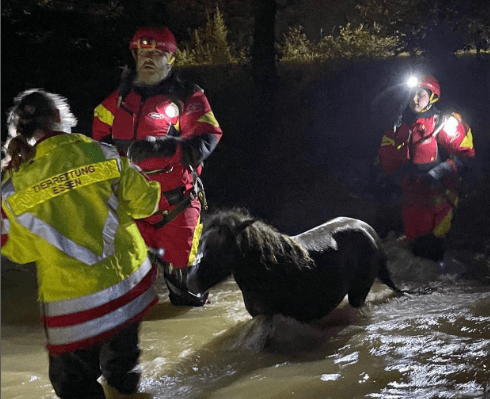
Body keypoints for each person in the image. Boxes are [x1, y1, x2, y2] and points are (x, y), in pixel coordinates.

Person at [1, 89, 162, 398]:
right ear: (60, 118)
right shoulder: (102, 153)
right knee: (123, 370)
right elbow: (146, 204)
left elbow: (19, 251)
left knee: (74, 385)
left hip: (74, 309)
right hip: (128, 289)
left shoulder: (12, 187)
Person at [92, 26, 223, 307]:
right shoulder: (116, 101)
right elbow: (96, 144)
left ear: (171, 58)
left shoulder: (189, 96)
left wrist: (163, 147)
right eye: (142, 53)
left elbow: (206, 138)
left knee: (187, 294)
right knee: (121, 294)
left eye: (156, 53)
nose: (147, 58)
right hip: (129, 206)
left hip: (175, 205)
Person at [376, 75, 475, 262]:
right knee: (415, 256)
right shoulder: (399, 127)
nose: (415, 99)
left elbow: (466, 157)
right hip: (411, 204)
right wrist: (392, 178)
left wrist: (440, 171)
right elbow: (386, 160)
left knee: (437, 255)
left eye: (420, 94)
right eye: (412, 94)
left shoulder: (443, 123)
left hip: (439, 203)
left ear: (432, 97)